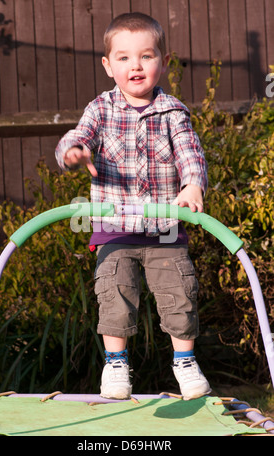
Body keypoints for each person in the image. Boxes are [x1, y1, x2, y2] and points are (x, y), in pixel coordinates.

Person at [55, 12, 211, 401]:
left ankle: (185, 362)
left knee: (179, 294)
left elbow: (191, 155)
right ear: (108, 66)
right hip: (116, 228)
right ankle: (116, 362)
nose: (135, 66)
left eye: (146, 56)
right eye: (123, 58)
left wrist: (192, 185)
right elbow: (78, 136)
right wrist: (73, 152)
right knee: (115, 295)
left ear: (163, 61)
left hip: (165, 229)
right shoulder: (100, 110)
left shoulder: (173, 112)